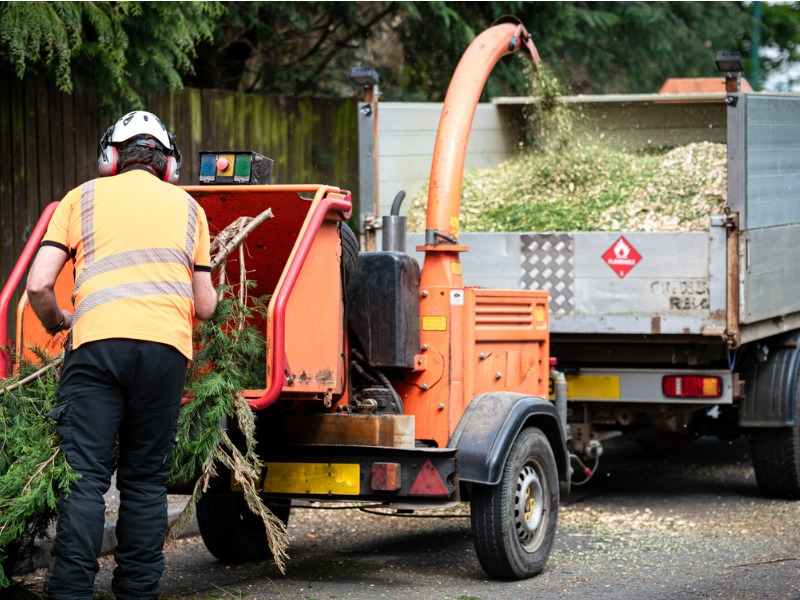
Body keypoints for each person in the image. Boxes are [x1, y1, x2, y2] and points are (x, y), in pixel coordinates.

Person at [26, 110, 218, 600]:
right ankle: (137, 591)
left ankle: (70, 591)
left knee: (85, 477)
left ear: (111, 158)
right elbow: (204, 306)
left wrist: (58, 322)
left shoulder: (80, 198)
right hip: (165, 354)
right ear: (168, 164)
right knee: (146, 480)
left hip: (97, 348)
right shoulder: (190, 209)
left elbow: (39, 285)